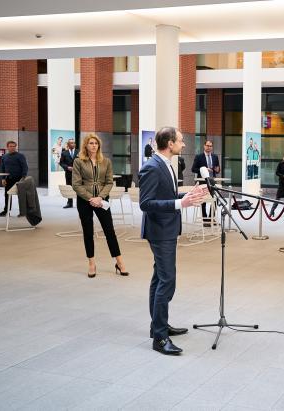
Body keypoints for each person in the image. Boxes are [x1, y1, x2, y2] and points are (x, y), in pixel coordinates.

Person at [139, 126, 207, 356]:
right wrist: (180, 204)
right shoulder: (151, 167)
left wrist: (186, 197)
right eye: (180, 140)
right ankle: (159, 338)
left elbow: (165, 196)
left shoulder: (167, 164)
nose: (184, 144)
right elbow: (146, 203)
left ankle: (157, 326)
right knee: (167, 281)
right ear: (169, 143)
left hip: (167, 228)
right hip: (159, 231)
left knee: (159, 278)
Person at [71, 134, 129, 278]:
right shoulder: (79, 162)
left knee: (110, 230)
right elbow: (76, 184)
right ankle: (92, 263)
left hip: (102, 200)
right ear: (86, 145)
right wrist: (91, 198)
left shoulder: (106, 161)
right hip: (85, 201)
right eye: (91, 143)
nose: (94, 145)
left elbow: (109, 182)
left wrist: (100, 197)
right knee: (88, 232)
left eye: (96, 143)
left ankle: (119, 262)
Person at [191, 140, 220, 226]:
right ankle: (205, 220)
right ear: (204, 146)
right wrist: (203, 169)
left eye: (210, 146)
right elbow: (193, 169)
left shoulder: (215, 157)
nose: (209, 147)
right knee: (203, 201)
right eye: (207, 146)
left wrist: (217, 170)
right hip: (202, 182)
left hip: (212, 181)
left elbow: (217, 169)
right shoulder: (199, 157)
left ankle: (211, 218)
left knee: (215, 200)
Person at [0, 141, 28, 217]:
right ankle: (6, 212)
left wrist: (23, 177)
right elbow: (3, 168)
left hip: (19, 179)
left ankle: (23, 212)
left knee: (21, 196)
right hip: (8, 179)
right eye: (11, 146)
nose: (12, 148)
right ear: (7, 147)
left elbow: (25, 167)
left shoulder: (20, 156)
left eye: (14, 146)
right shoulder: (4, 156)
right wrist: (3, 179)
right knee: (7, 195)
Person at [59, 138, 78, 208]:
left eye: (74, 143)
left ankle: (80, 203)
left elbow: (83, 162)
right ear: (68, 144)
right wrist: (67, 167)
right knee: (69, 187)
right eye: (71, 143)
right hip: (68, 174)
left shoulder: (79, 152)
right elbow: (61, 163)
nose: (73, 144)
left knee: (78, 187)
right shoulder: (64, 153)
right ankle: (70, 203)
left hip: (77, 174)